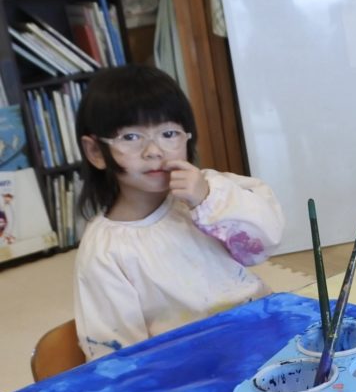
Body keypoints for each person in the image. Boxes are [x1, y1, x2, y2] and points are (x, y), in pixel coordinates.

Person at [74, 65, 285, 360]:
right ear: (96, 152)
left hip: (262, 331)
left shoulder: (209, 191)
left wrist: (209, 199)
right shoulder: (105, 252)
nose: (154, 151)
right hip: (193, 366)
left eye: (168, 133)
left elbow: (264, 243)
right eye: (131, 137)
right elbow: (118, 356)